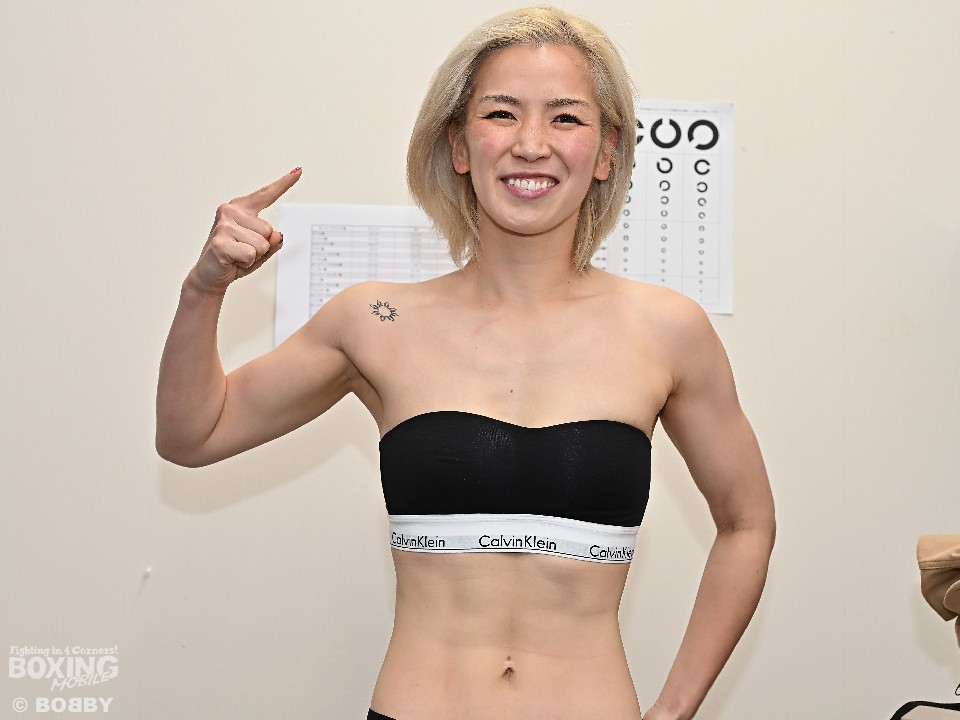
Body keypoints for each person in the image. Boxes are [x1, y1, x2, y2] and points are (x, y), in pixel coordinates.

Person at [156, 7, 775, 720]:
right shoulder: (375, 321)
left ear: (607, 152)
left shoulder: (666, 331)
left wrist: (674, 710)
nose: (531, 144)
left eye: (566, 118)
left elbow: (748, 522)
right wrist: (203, 290)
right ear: (457, 143)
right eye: (502, 113)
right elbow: (192, 434)